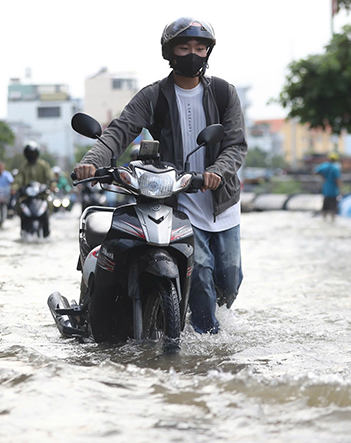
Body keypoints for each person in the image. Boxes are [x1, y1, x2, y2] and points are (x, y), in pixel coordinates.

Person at [74, 17, 246, 334]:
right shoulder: (153, 96)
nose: (193, 53)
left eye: (200, 47)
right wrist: (90, 161)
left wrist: (216, 172)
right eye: (184, 47)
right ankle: (202, 347)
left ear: (208, 52)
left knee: (230, 279)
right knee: (202, 275)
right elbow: (118, 133)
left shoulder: (224, 93)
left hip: (222, 202)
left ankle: (204, 327)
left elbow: (235, 145)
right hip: (179, 200)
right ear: (170, 52)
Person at [11, 142, 54, 235]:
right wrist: (14, 188)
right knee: (19, 204)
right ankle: (23, 230)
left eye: (33, 153)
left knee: (49, 203)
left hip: (41, 195)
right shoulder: (23, 167)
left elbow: (50, 177)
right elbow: (18, 179)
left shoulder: (44, 165)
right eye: (29, 153)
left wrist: (52, 185)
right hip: (27, 196)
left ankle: (47, 231)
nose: (31, 155)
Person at [315, 152, 342, 221]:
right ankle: (333, 221)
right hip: (333, 191)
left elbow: (316, 172)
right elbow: (338, 180)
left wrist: (324, 176)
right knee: (333, 209)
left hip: (326, 190)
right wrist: (341, 189)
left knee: (325, 209)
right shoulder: (335, 168)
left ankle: (324, 220)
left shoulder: (324, 166)